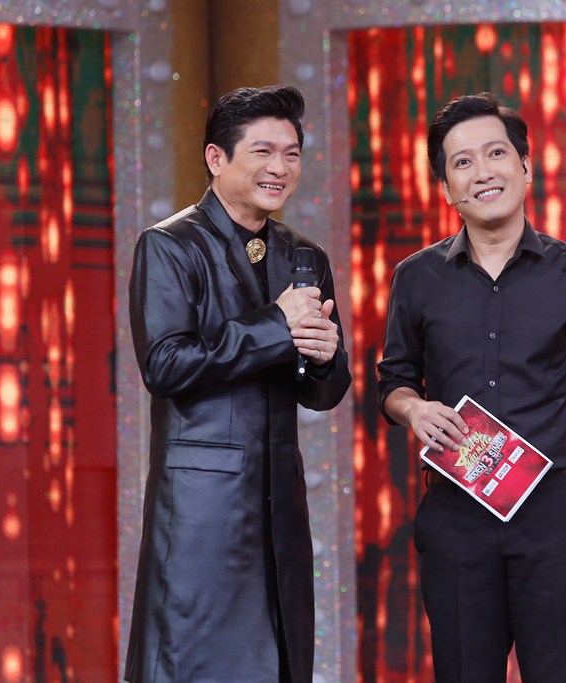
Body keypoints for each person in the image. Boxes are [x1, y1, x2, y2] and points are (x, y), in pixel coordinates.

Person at [377, 93, 566, 683]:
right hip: (456, 511)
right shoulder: (416, 278)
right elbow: (393, 382)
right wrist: (413, 409)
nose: (482, 172)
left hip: (553, 515)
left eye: (496, 153)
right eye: (461, 162)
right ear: (446, 187)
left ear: (525, 166)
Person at [125, 85, 351, 683]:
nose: (280, 167)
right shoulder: (169, 245)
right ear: (216, 158)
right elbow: (165, 366)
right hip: (202, 515)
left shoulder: (304, 255)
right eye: (262, 152)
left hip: (280, 512)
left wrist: (324, 358)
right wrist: (276, 324)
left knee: (280, 664)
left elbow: (323, 392)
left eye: (292, 154)